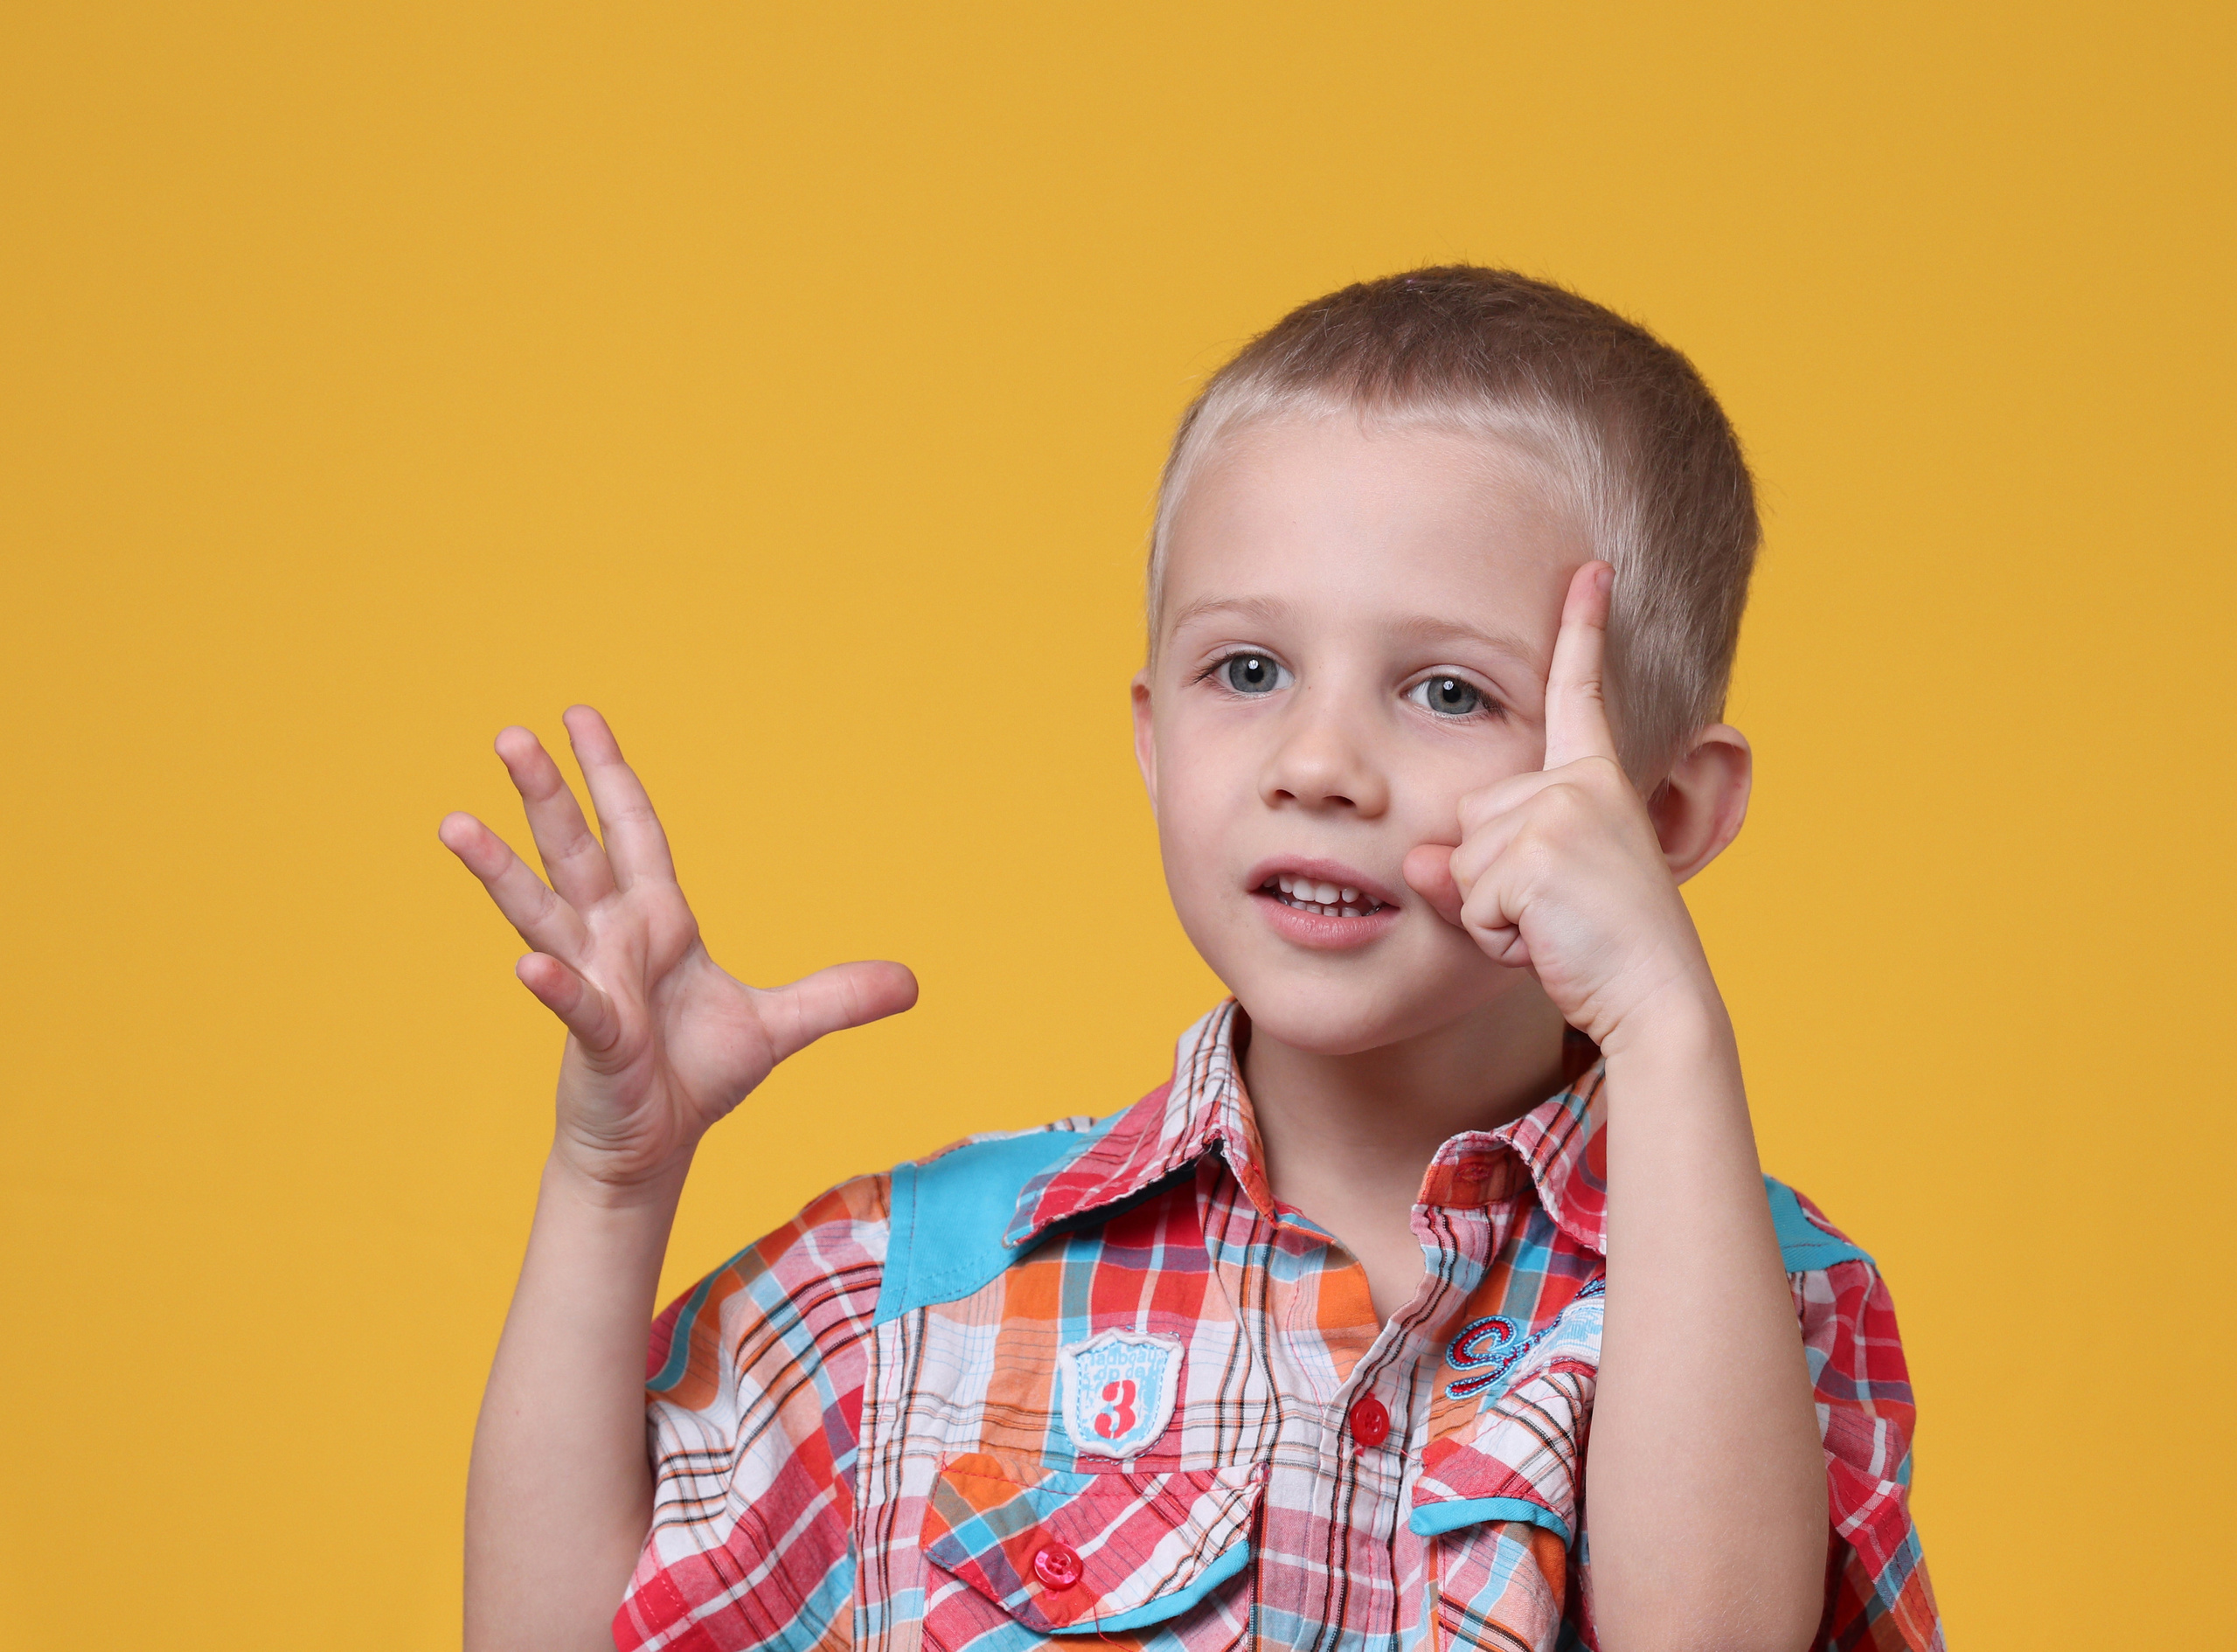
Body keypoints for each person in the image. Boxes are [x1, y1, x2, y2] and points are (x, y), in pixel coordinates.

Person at [443, 267, 1941, 1652]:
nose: (1320, 762)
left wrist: (1668, 1020)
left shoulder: (1767, 1303)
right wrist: (612, 1185)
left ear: (1664, 810)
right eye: (1250, 670)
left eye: (1444, 689)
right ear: (1154, 739)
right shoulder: (918, 1284)